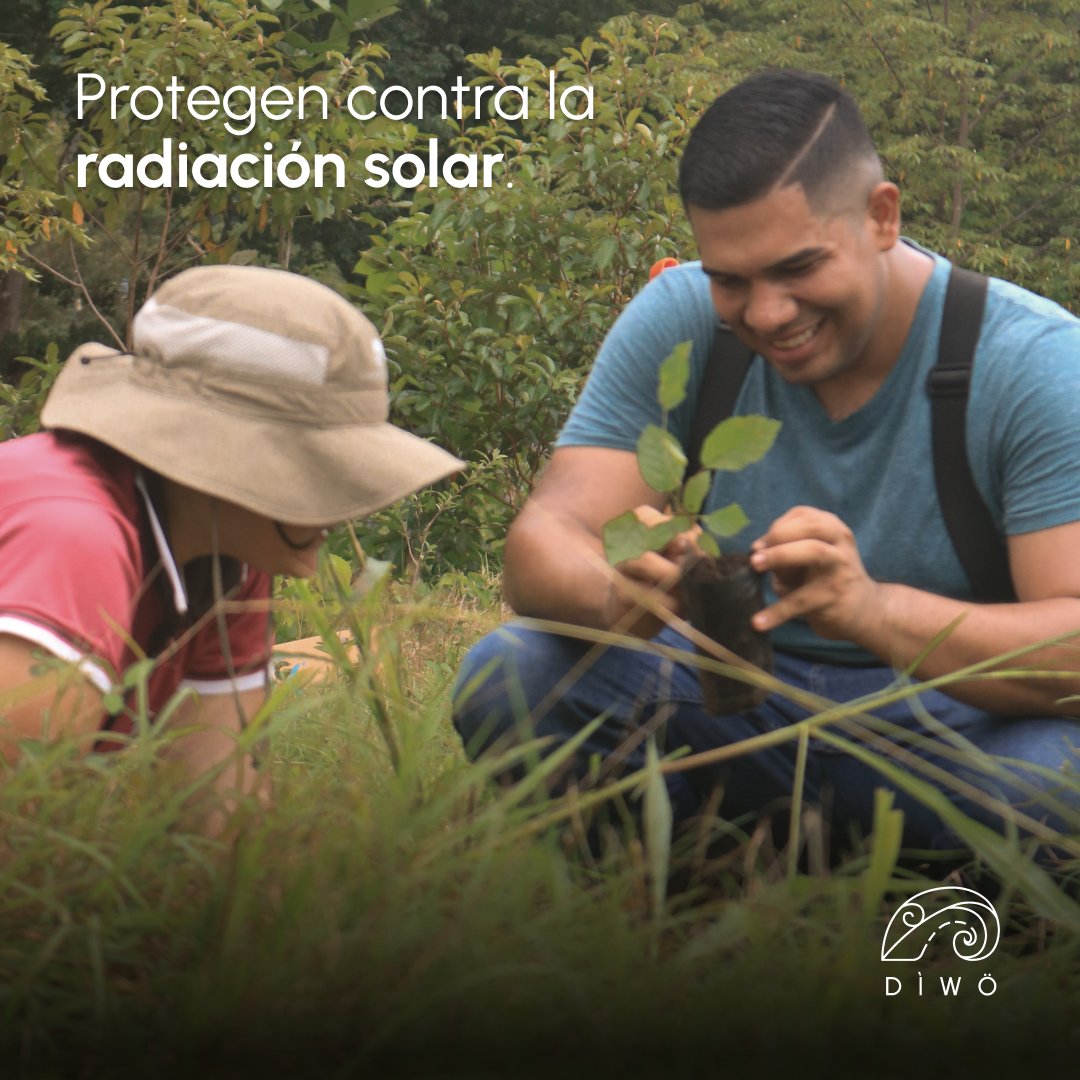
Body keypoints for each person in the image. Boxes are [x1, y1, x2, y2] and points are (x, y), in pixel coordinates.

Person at [452, 70, 1080, 864]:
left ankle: (927, 935)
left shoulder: (1032, 361)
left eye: (798, 268)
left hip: (950, 730)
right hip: (731, 703)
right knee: (513, 673)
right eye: (732, 279)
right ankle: (674, 910)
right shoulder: (682, 318)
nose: (768, 313)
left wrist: (875, 611)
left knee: (1054, 783)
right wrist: (616, 588)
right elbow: (546, 537)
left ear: (882, 216)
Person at [0, 265, 461, 813]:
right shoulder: (75, 536)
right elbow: (20, 832)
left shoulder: (226, 554)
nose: (344, 509)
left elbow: (219, 805)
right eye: (320, 472)